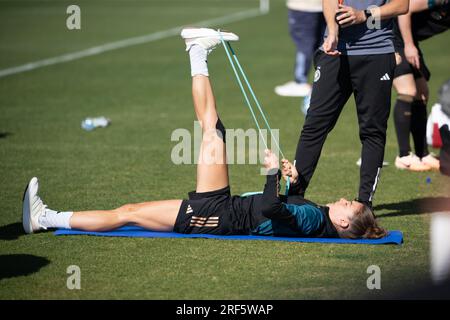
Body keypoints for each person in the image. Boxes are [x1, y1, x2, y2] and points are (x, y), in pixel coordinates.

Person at [22, 28, 386, 240]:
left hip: (216, 214)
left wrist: (274, 173)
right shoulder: (318, 216)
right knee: (213, 132)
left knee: (127, 213)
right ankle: (197, 50)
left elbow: (271, 207)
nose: (344, 199)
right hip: (224, 208)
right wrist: (290, 182)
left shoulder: (316, 220)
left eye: (349, 205)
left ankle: (46, 218)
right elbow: (281, 210)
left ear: (343, 221)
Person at [291, 0, 409, 208]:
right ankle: (294, 198)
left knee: (372, 131)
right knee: (314, 125)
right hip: (335, 52)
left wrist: (364, 16)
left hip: (376, 53)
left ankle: (364, 204)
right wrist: (333, 31)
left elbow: (402, 5)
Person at [392, 0, 449, 171]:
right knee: (407, 90)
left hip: (407, 39)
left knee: (422, 93)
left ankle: (422, 154)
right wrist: (409, 46)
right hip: (390, 34)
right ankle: (403, 156)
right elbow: (404, 10)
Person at [275, 0, 326, 97]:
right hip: (324, 6)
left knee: (304, 43)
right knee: (322, 42)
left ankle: (300, 81)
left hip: (304, 7)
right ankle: (324, 80)